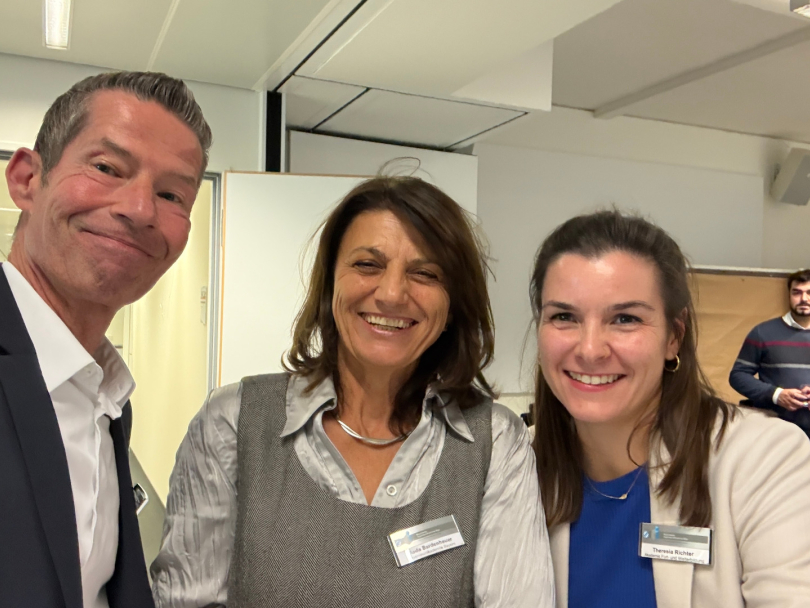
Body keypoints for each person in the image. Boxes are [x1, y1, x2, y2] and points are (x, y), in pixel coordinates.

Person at [151, 176, 554, 608]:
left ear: (453, 303)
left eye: (425, 273)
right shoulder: (233, 423)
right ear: (330, 283)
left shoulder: (495, 443)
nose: (392, 294)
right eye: (367, 265)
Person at [0, 72, 212, 608]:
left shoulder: (106, 397)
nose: (139, 209)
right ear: (27, 180)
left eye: (171, 194)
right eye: (106, 168)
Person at [530, 210, 810, 607]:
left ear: (674, 337)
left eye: (624, 318)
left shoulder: (765, 459)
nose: (590, 350)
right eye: (563, 316)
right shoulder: (516, 464)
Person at [729, 269, 810, 437]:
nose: (804, 298)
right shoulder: (763, 333)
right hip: (775, 433)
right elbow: (738, 375)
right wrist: (776, 395)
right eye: (797, 292)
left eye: (809, 293)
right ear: (789, 295)